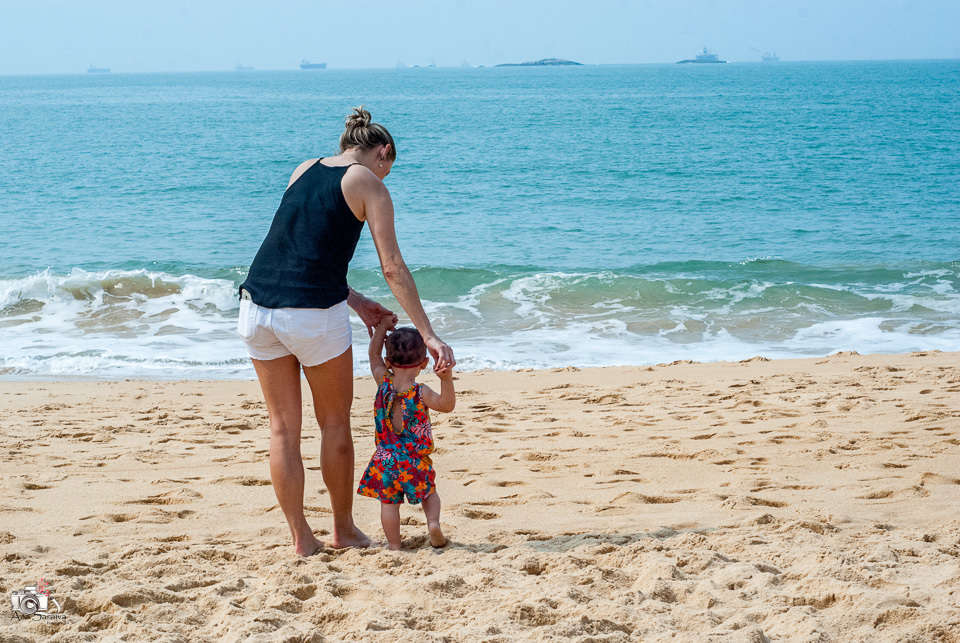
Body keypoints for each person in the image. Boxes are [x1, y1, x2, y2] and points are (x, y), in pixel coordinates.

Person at [237, 106, 455, 556]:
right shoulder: (367, 182)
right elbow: (392, 266)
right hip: (313, 314)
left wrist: (353, 298)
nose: (386, 176)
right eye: (389, 168)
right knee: (334, 423)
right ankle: (342, 530)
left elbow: (298, 250)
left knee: (282, 430)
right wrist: (428, 334)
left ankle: (301, 540)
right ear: (384, 153)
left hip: (256, 306)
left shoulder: (304, 169)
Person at [357, 318, 455, 550]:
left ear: (389, 362)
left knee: (388, 505)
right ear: (424, 363)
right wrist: (446, 379)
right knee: (429, 493)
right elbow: (446, 405)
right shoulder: (421, 392)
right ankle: (432, 523)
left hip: (385, 460)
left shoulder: (383, 382)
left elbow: (373, 356)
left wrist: (381, 328)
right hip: (415, 461)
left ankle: (394, 545)